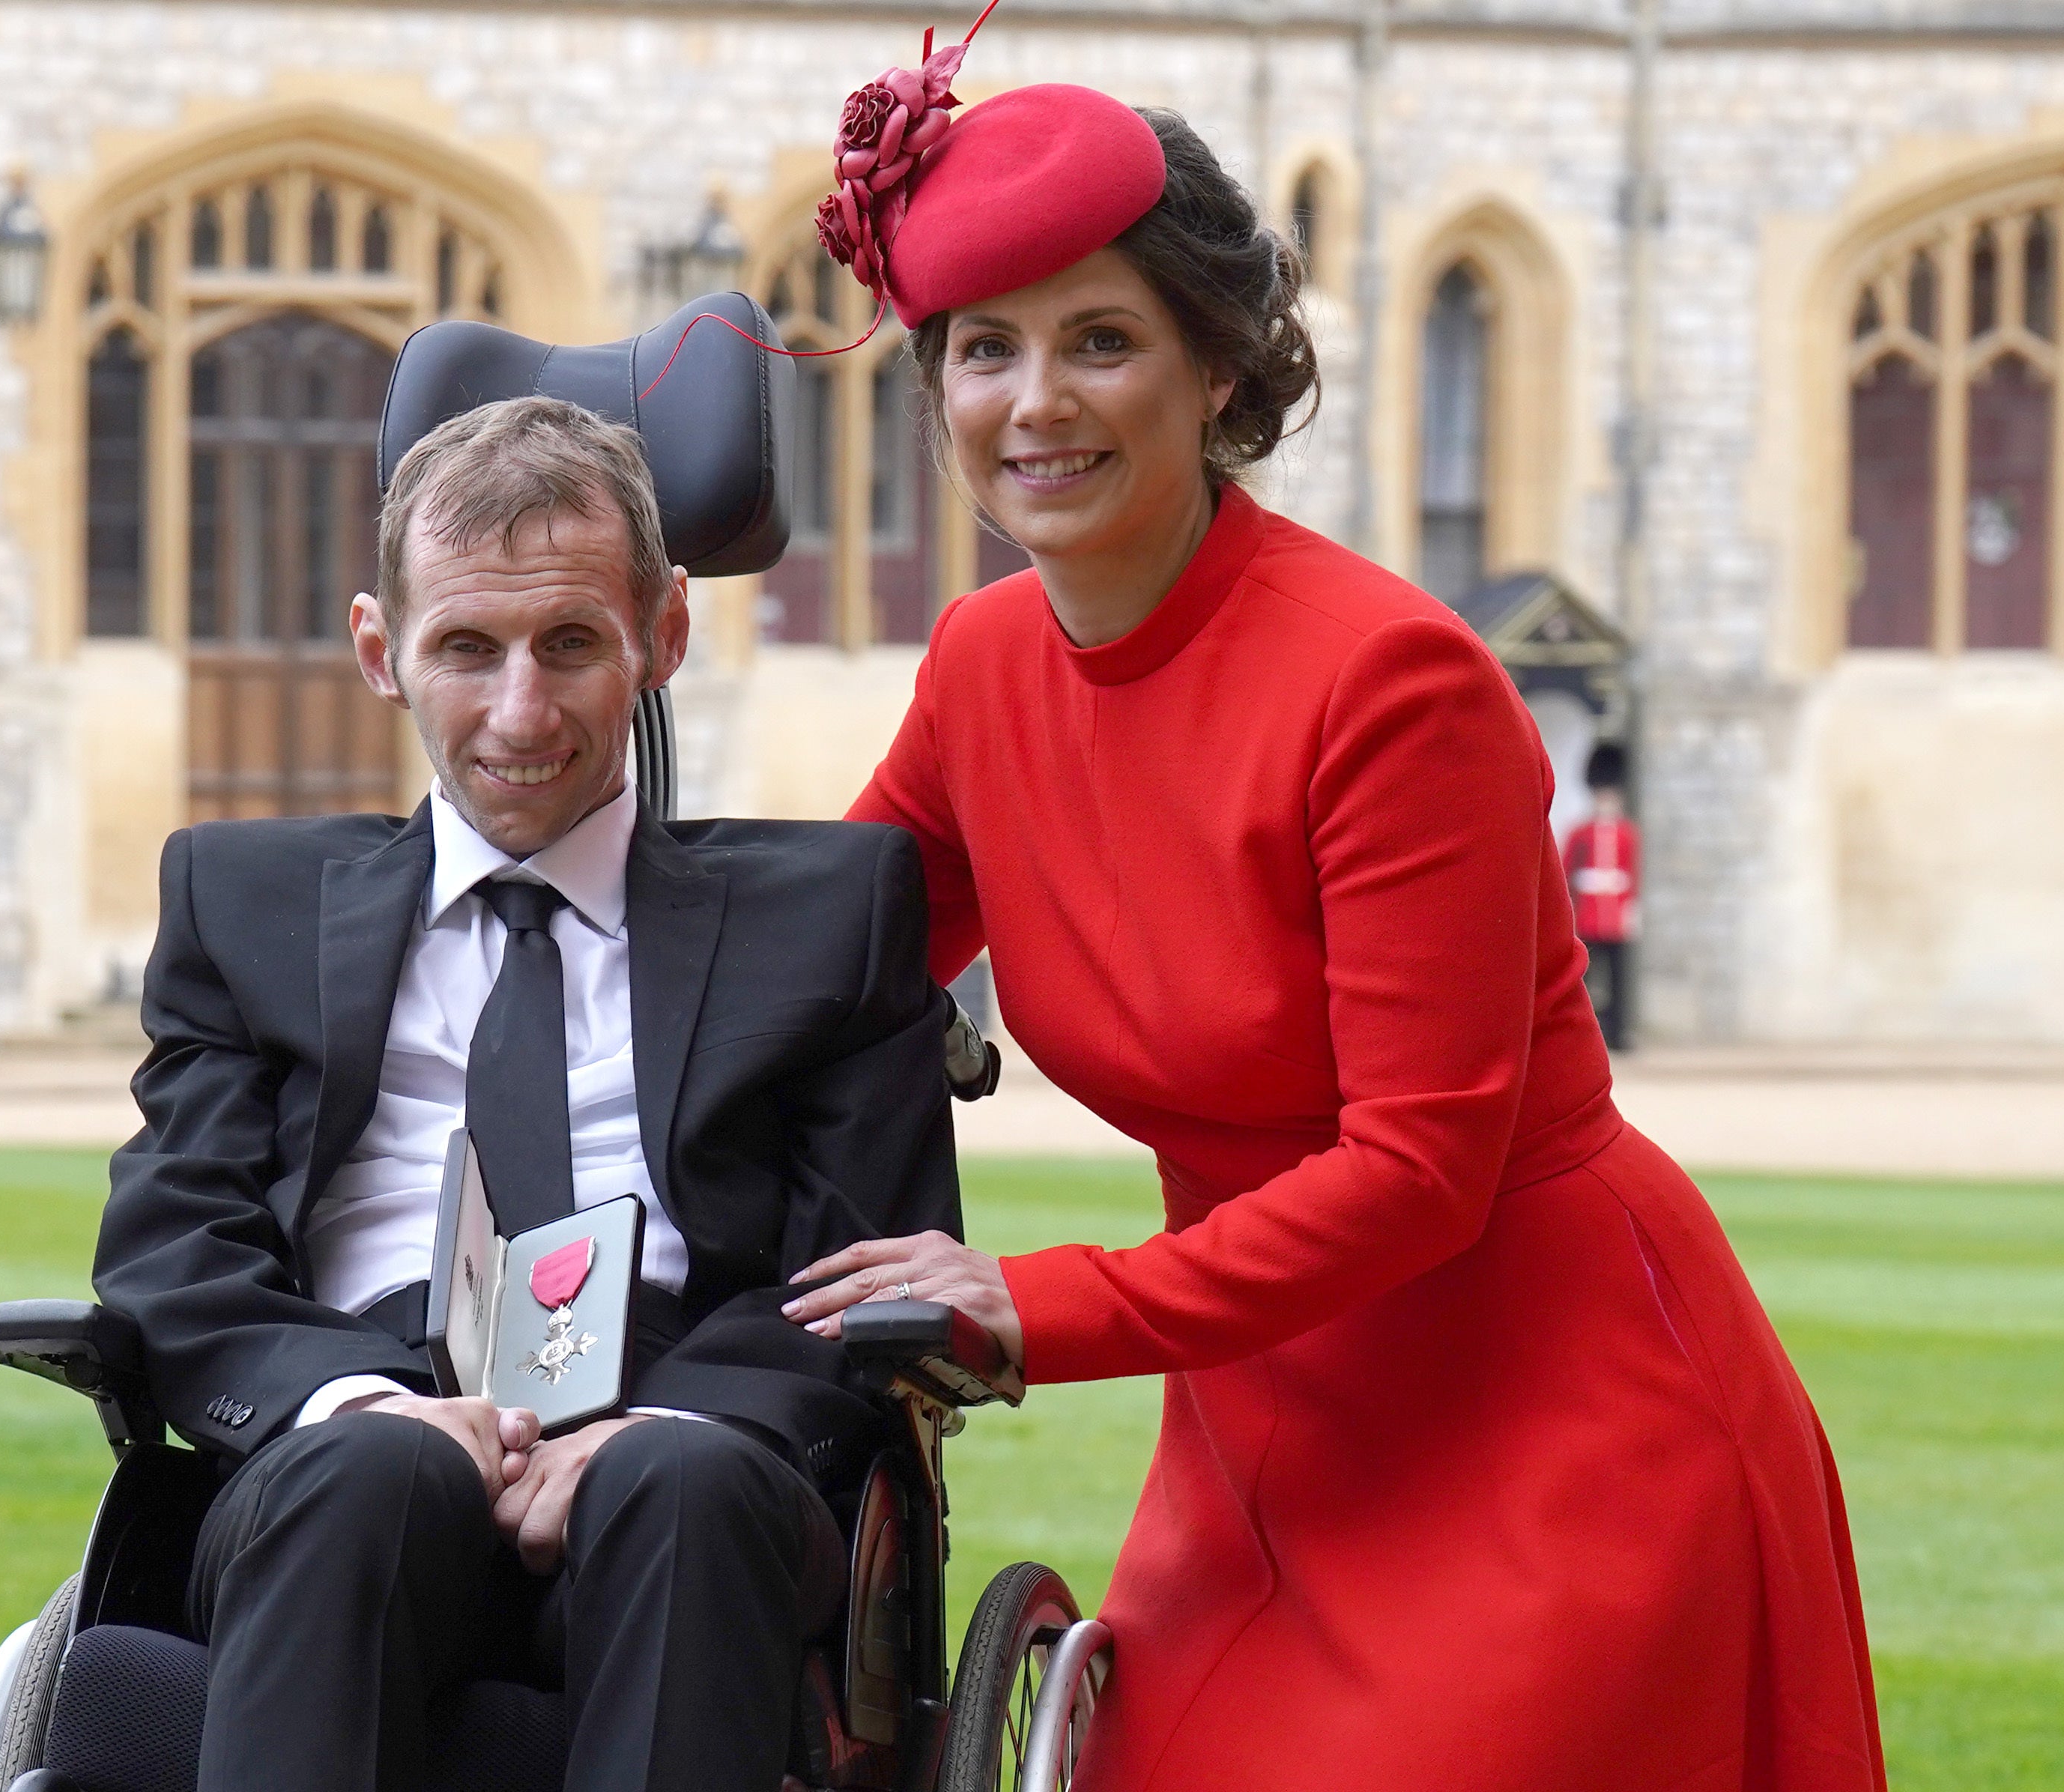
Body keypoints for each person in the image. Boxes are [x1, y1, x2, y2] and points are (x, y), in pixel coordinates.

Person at [775, 57, 1887, 1792]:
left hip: (1549, 1414)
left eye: (1101, 337)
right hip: (1260, 1428)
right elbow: (814, 965)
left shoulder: (1388, 679)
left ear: (1217, 363)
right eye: (985, 345)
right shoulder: (983, 663)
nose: (1034, 399)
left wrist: (1035, 1302)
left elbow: (1422, 1170)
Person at [94, 396, 961, 1792]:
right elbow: (172, 1251)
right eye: (465, 649)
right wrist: (356, 1404)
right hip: (355, 1425)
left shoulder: (834, 916)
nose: (520, 710)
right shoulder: (241, 901)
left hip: (694, 1436)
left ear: (661, 636)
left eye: (569, 643)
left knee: (677, 1487)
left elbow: (863, 1269)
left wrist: (672, 1419)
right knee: (364, 1480)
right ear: (382, 650)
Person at [1564, 741, 1642, 1049]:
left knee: (1618, 980)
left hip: (1616, 912)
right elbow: (1568, 871)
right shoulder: (1579, 833)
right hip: (1590, 913)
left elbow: (1632, 874)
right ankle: (1586, 1035)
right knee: (1586, 978)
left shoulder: (1627, 833)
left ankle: (1618, 1032)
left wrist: (1633, 910)